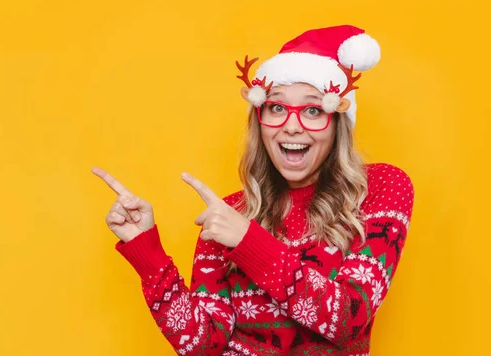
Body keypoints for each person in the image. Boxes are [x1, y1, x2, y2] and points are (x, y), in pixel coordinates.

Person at [93, 25, 414, 355]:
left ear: (336, 125)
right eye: (276, 108)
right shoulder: (229, 214)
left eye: (313, 110)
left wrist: (247, 241)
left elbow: (347, 319)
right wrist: (148, 254)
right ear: (259, 122)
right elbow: (203, 346)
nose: (292, 125)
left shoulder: (380, 188)